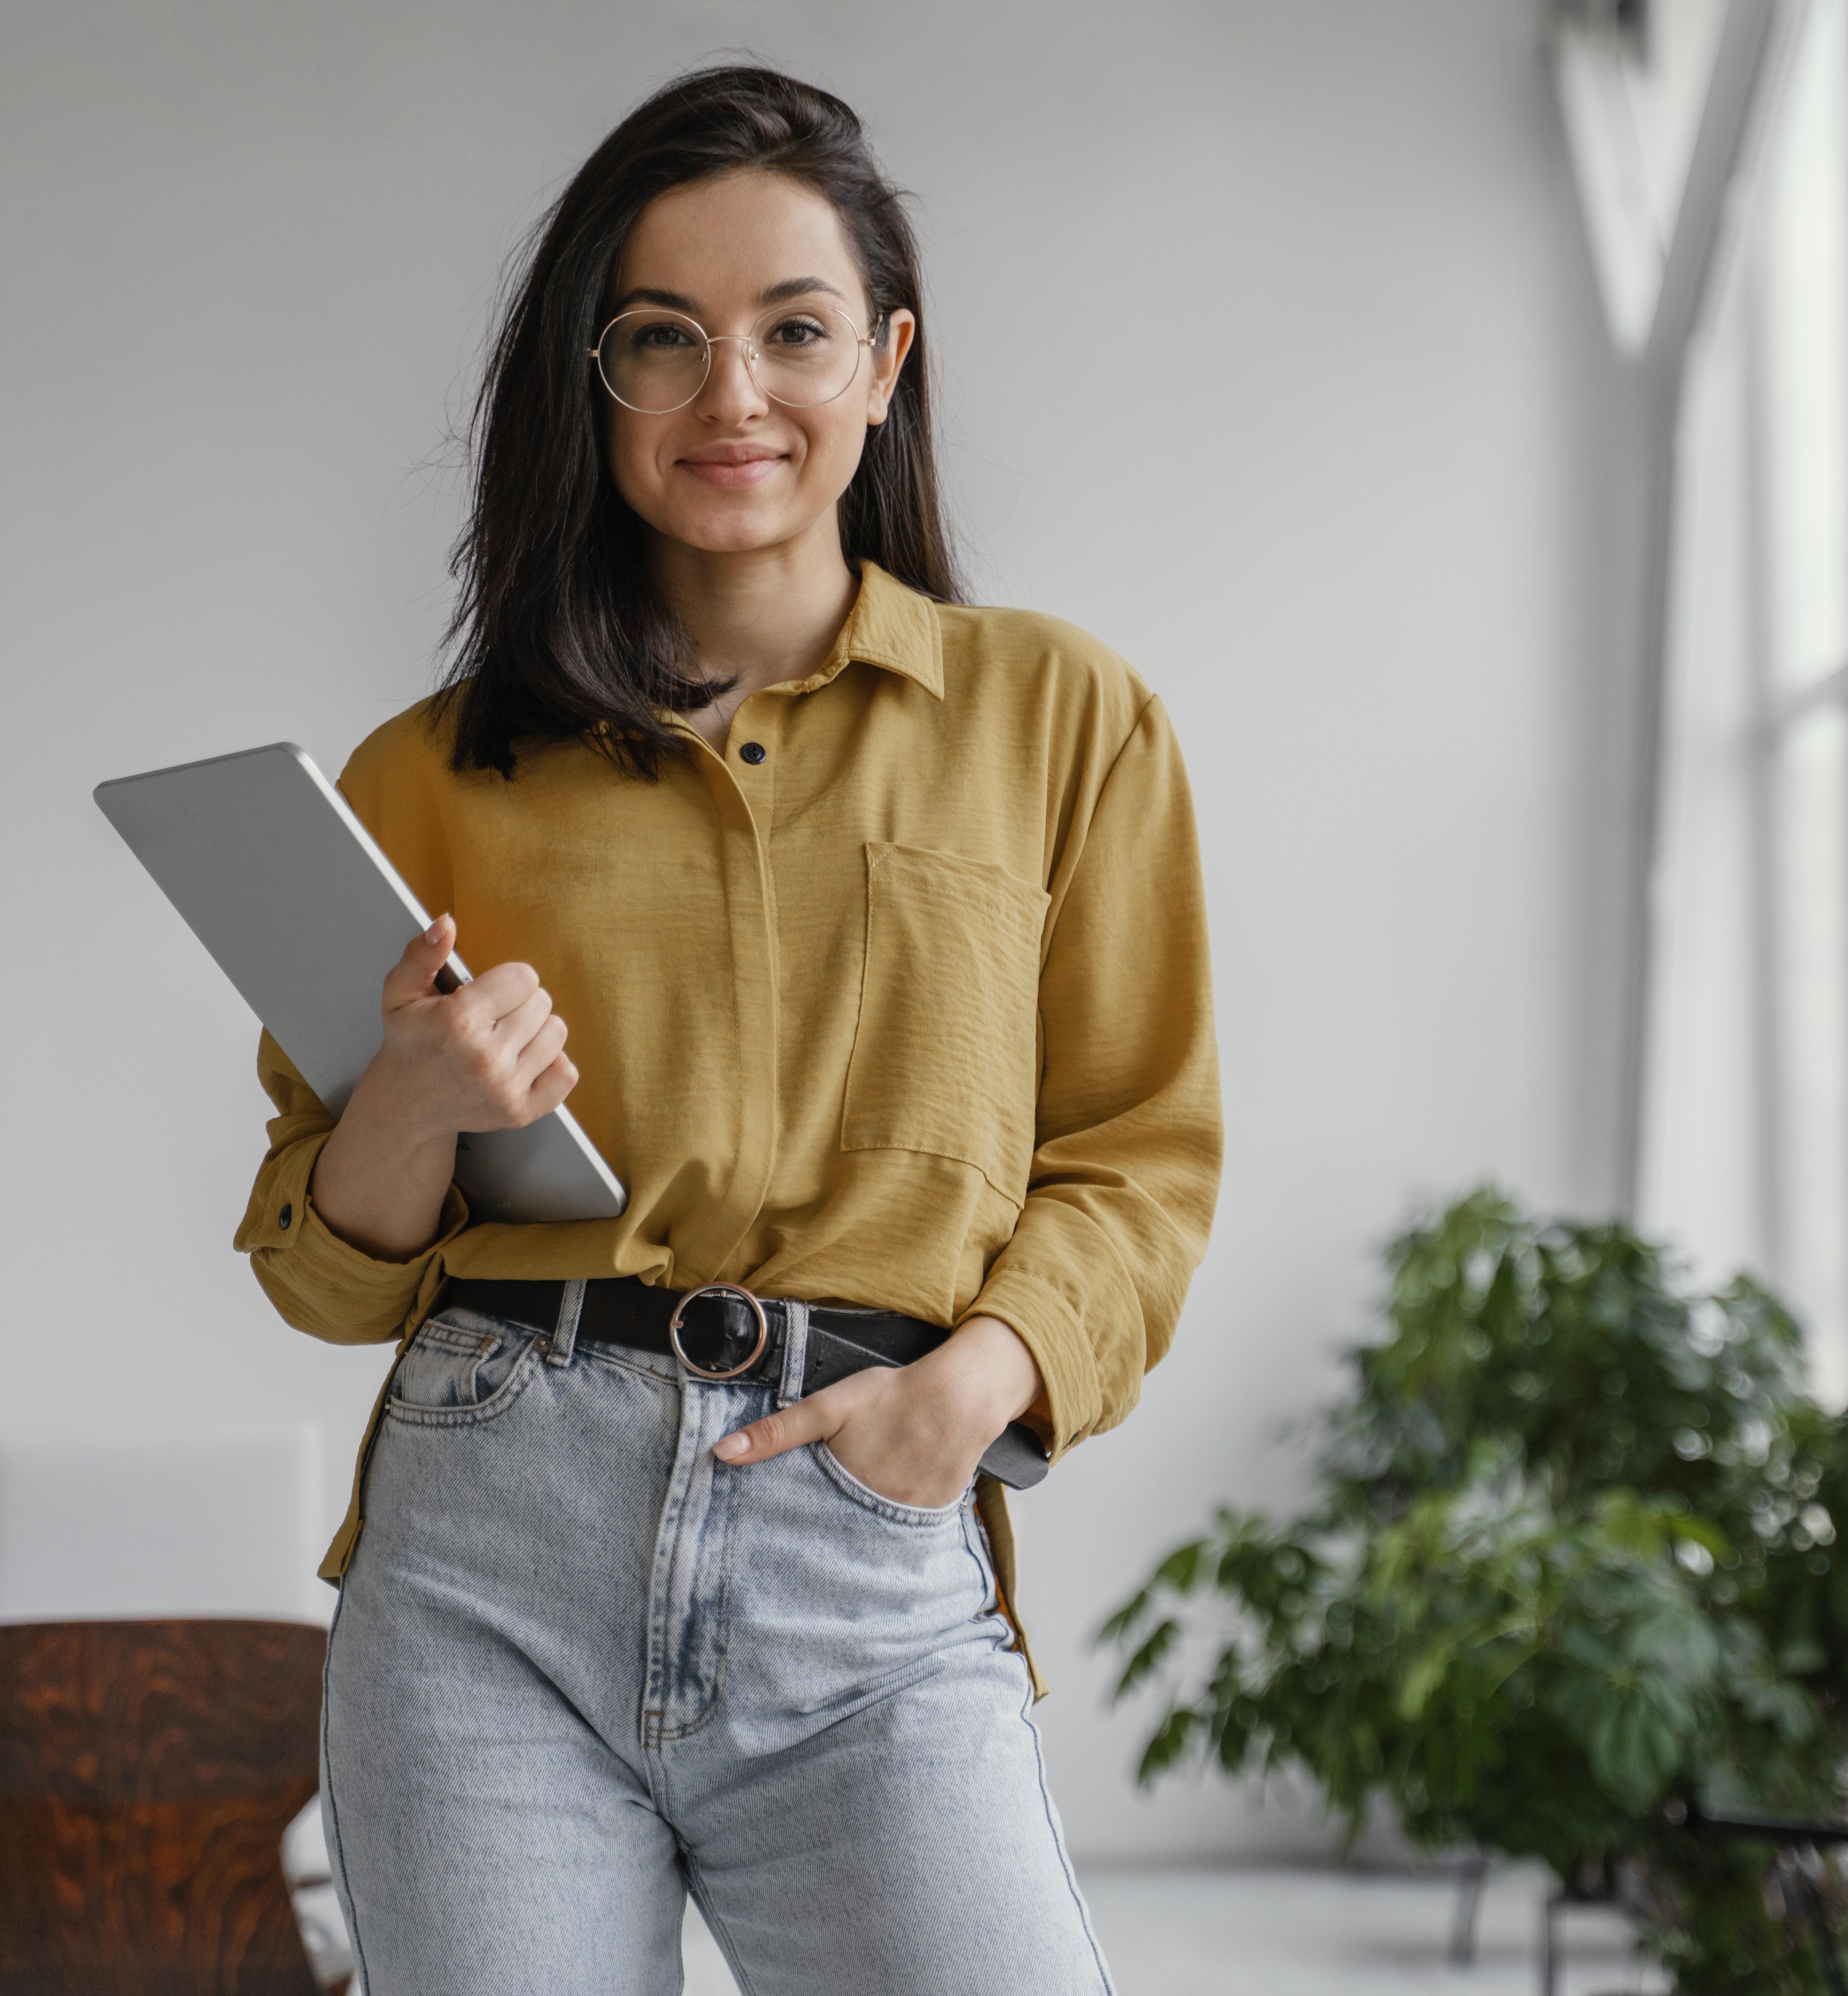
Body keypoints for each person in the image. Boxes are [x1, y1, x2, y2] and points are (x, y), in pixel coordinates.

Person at [235, 64, 1220, 1994]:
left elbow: (1137, 1151)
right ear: (589, 383)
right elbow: (329, 1271)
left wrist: (974, 1384)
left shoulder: (1060, 720)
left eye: (794, 331)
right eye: (660, 342)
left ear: (886, 361)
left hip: (865, 1536)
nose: (732, 397)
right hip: (484, 1551)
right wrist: (416, 1108)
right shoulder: (426, 776)